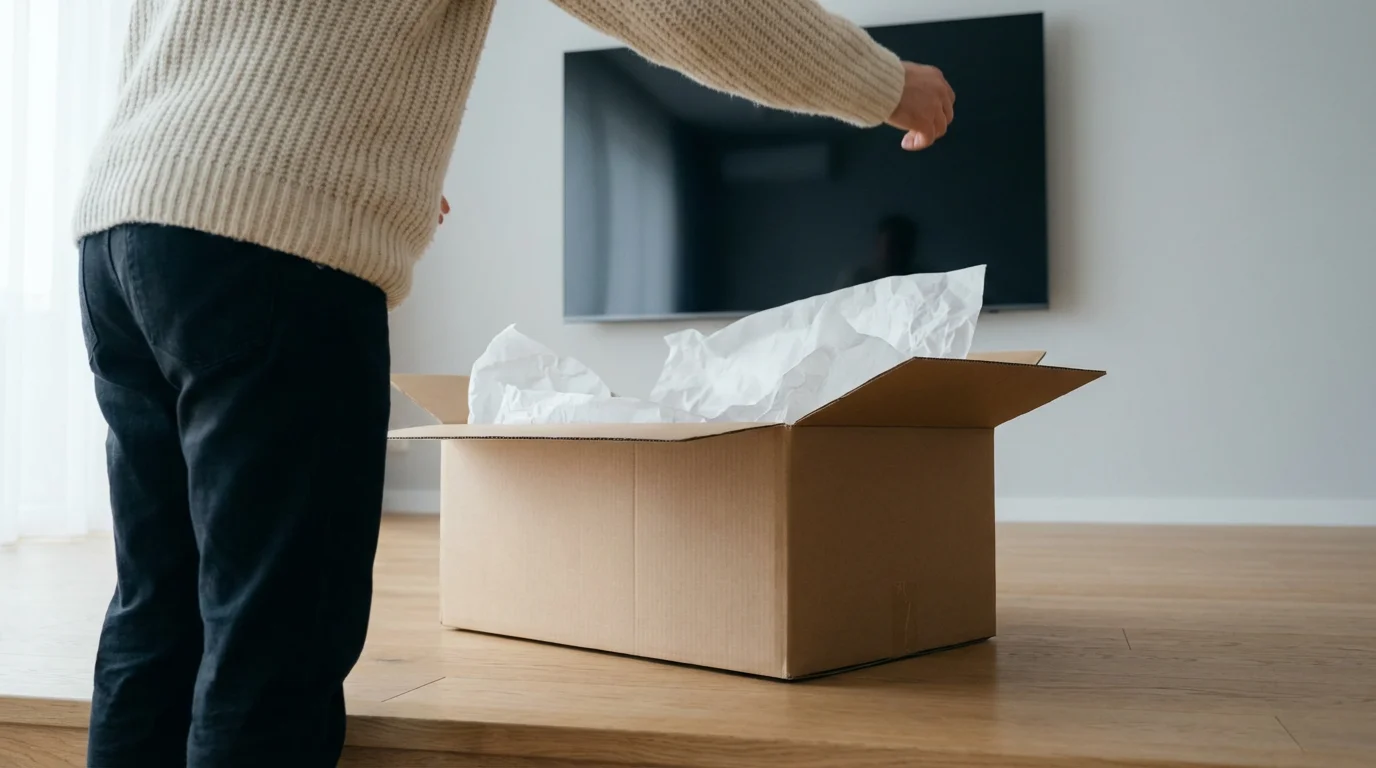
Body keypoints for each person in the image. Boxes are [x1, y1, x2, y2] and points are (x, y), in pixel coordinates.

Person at [72, 1, 954, 765]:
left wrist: (371, 155)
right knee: (273, 636)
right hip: (264, 246)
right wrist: (885, 83)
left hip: (127, 221)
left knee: (159, 606)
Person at [839, 214, 923, 288]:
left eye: (904, 247)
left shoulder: (923, 281)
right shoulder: (854, 279)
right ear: (878, 245)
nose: (898, 254)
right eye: (891, 246)